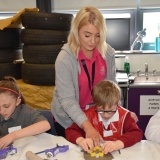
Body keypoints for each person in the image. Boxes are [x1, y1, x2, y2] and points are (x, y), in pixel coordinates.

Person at [51, 6, 138, 145]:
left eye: (98, 35)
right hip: (69, 120)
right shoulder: (64, 59)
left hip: (96, 116)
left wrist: (121, 111)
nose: (93, 41)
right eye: (87, 35)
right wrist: (87, 126)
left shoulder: (107, 52)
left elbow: (111, 88)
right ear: (76, 31)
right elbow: (67, 100)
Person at [65, 80, 143, 153]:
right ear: (96, 104)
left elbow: (137, 133)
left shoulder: (125, 116)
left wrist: (117, 144)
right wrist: (81, 140)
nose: (106, 115)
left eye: (110, 110)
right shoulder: (87, 115)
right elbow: (70, 131)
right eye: (101, 110)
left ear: (118, 102)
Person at [0, 76, 51, 149]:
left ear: (17, 101)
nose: (1, 111)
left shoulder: (26, 112)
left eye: (6, 106)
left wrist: (12, 136)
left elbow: (45, 125)